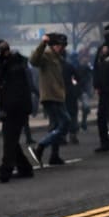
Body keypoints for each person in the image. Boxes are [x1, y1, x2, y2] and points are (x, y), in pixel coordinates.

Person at [0, 39, 37, 182]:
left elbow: (15, 92)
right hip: (14, 107)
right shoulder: (8, 64)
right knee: (12, 140)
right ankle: (25, 168)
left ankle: (5, 170)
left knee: (9, 140)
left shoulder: (15, 68)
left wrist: (5, 111)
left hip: (16, 108)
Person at [30, 33, 73, 167]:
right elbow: (33, 60)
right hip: (51, 95)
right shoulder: (47, 55)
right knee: (65, 122)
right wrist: (43, 43)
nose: (61, 48)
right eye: (59, 45)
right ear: (53, 45)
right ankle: (41, 146)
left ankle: (54, 155)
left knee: (55, 126)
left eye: (63, 46)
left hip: (57, 95)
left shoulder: (57, 57)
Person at [91, 25, 109, 153]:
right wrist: (96, 85)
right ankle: (104, 142)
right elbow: (96, 68)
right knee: (101, 116)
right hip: (104, 88)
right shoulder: (101, 49)